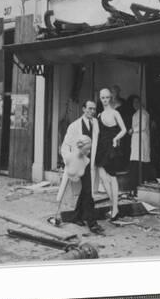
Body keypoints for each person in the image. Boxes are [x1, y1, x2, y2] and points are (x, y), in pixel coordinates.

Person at [57, 100, 104, 234]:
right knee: (88, 192)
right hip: (78, 162)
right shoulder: (74, 126)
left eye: (94, 109)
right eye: (89, 109)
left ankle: (77, 216)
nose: (92, 112)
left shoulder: (95, 123)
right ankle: (92, 223)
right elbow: (65, 146)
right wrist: (68, 160)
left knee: (86, 191)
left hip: (90, 162)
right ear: (83, 109)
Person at [95, 88, 127, 220]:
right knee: (103, 177)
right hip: (101, 149)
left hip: (112, 149)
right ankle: (115, 207)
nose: (105, 100)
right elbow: (97, 134)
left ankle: (114, 208)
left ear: (110, 98)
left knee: (112, 177)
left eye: (107, 97)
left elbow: (124, 130)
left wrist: (116, 138)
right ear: (100, 99)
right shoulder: (98, 115)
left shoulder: (115, 113)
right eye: (103, 98)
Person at [128, 95, 152, 196]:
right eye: (134, 103)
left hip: (141, 140)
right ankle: (134, 188)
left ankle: (140, 188)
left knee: (141, 164)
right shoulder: (135, 114)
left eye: (137, 102)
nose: (135, 105)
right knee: (135, 163)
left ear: (140, 102)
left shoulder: (144, 113)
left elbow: (142, 126)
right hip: (136, 141)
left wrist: (133, 130)